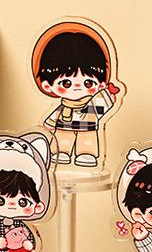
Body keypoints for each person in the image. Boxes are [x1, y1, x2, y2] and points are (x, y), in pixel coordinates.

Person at [32, 21, 121, 168]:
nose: (78, 87)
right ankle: (61, 152)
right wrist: (47, 128)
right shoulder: (62, 108)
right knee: (62, 140)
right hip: (63, 128)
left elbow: (106, 102)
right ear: (47, 85)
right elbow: (50, 121)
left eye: (88, 83)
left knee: (87, 142)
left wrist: (110, 93)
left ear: (100, 84)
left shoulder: (93, 103)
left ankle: (86, 154)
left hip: (88, 129)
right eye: (66, 83)